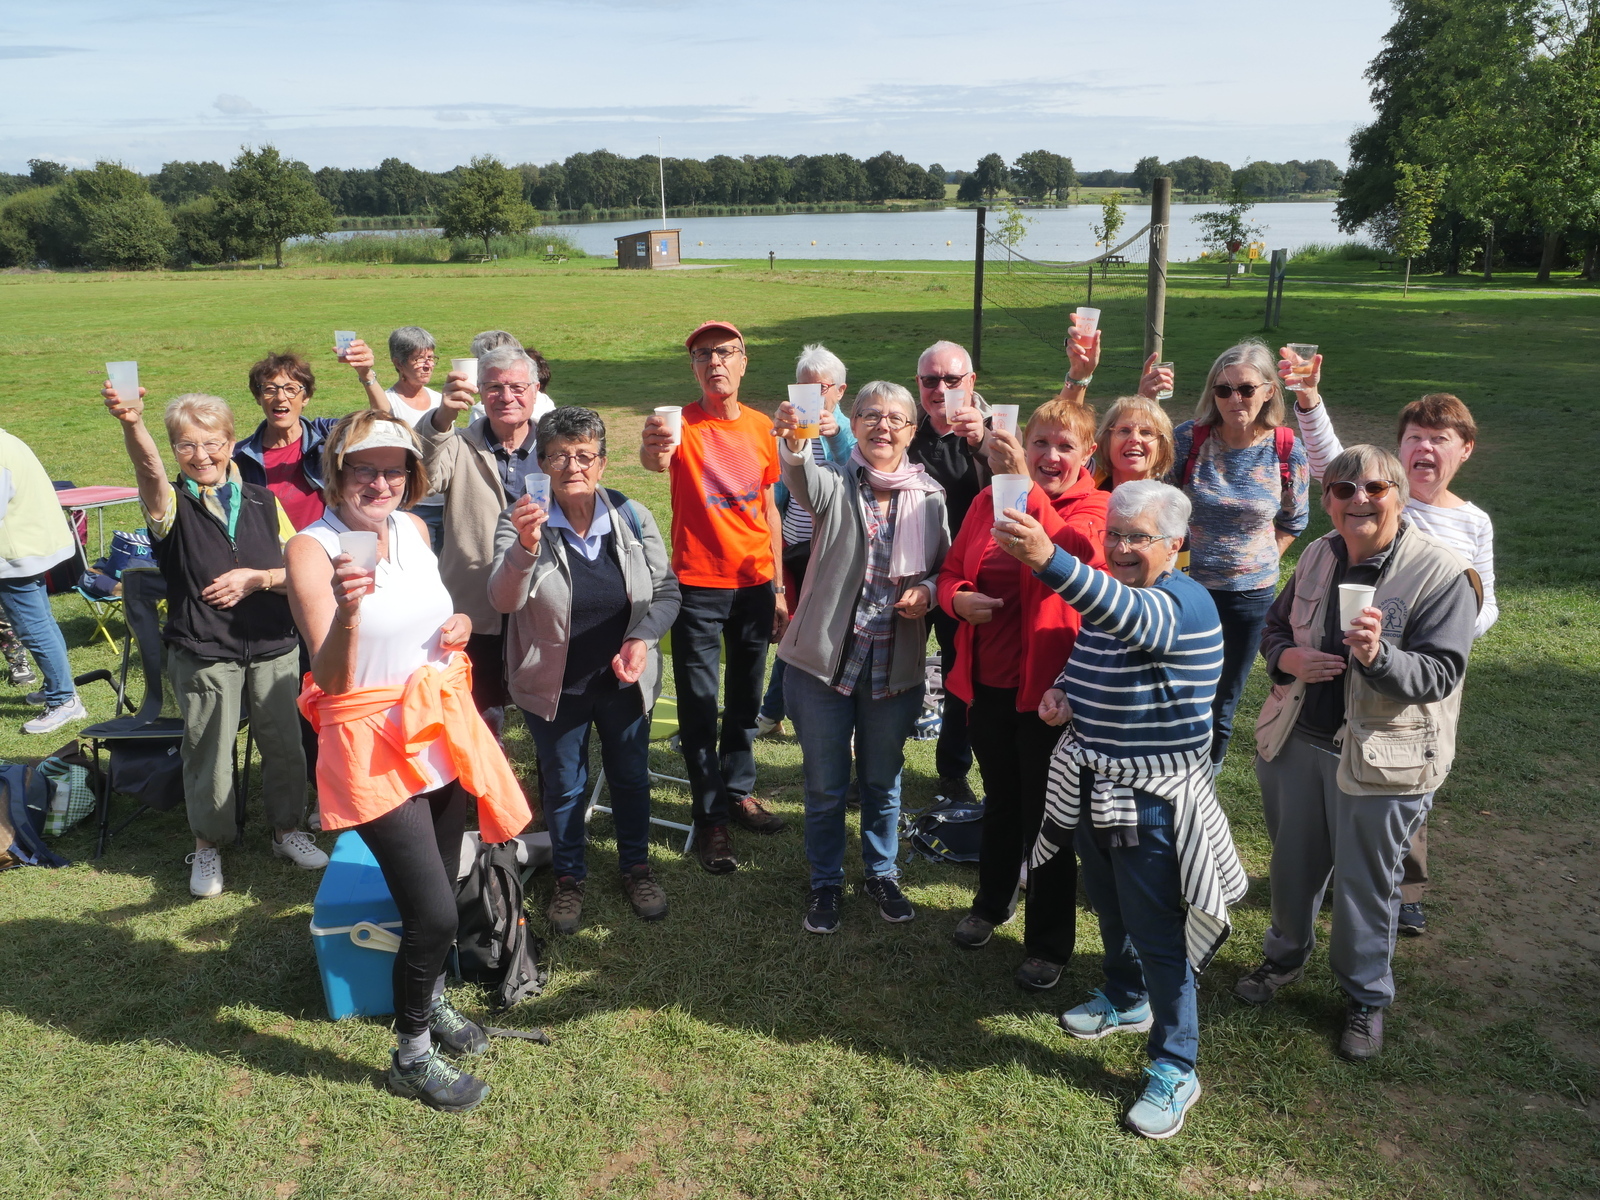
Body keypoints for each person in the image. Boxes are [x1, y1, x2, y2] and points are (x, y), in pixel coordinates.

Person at [287, 410, 532, 1113]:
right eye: (364, 467)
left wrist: (453, 627)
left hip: (436, 730)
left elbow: (433, 621)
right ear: (337, 471)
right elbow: (331, 679)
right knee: (432, 914)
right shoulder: (314, 548)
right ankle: (411, 1054)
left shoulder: (415, 531)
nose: (380, 481)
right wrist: (348, 611)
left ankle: (432, 998)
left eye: (393, 468)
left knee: (446, 892)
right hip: (371, 745)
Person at [995, 480, 1246, 1140]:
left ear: (1177, 543)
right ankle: (1127, 996)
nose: (1123, 549)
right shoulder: (1122, 598)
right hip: (1096, 783)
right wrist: (1063, 694)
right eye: (1116, 536)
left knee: (1160, 933)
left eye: (1139, 538)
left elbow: (1129, 622)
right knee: (1109, 904)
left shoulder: (1181, 603)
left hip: (1153, 798)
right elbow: (1094, 652)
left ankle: (1176, 1064)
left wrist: (1051, 560)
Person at [1239, 446, 1479, 1062]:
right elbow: (1272, 627)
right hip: (1297, 742)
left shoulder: (1440, 573)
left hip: (1384, 757)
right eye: (1343, 490)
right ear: (1328, 502)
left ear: (1399, 494)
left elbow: (1441, 673)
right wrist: (1286, 658)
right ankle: (1283, 958)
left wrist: (1380, 659)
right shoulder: (1319, 555)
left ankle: (1365, 996)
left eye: (1375, 487)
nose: (1359, 500)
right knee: (1292, 868)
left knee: (1365, 886)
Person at [1287, 362, 1496, 936]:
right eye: (1415, 438)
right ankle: (1314, 916)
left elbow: (1474, 614)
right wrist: (1307, 398)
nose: (1362, 497)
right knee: (1324, 825)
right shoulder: (1325, 549)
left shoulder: (1463, 534)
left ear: (1464, 451)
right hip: (1322, 718)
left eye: (1439, 439)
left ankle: (1400, 892)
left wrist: (1451, 628)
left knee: (1401, 791)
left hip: (1408, 686)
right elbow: (1338, 461)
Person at [102, 384, 324, 897]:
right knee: (208, 751)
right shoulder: (171, 505)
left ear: (230, 443)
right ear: (176, 450)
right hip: (205, 651)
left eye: (211, 443)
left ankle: (287, 830)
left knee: (286, 747)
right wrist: (132, 425)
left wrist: (259, 577)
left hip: (274, 644)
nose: (200, 455)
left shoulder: (263, 500)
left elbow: (302, 571)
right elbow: (150, 474)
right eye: (186, 445)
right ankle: (208, 846)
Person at [488, 407, 680, 935]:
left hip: (623, 681)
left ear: (601, 462)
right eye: (559, 455)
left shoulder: (633, 516)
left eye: (584, 454)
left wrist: (642, 640)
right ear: (542, 463)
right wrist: (525, 549)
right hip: (554, 687)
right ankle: (570, 878)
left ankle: (636, 867)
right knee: (564, 785)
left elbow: (665, 593)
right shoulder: (521, 520)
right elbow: (504, 601)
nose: (573, 465)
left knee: (629, 777)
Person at [941, 392, 1107, 988]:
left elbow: (1078, 558)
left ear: (1088, 453)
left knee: (1050, 819)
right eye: (1040, 443)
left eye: (1066, 446)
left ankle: (1048, 943)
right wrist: (957, 598)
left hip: (1051, 696)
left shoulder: (1094, 506)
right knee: (1001, 802)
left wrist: (1020, 484)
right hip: (988, 683)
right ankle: (991, 903)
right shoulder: (989, 501)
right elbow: (953, 569)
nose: (1050, 455)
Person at [773, 381, 949, 934]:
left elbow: (946, 566)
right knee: (825, 784)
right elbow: (799, 476)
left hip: (892, 665)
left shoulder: (931, 496)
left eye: (897, 418)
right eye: (871, 415)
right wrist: (795, 439)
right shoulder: (834, 484)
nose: (883, 426)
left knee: (882, 778)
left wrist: (931, 590)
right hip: (825, 663)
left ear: (911, 432)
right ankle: (826, 881)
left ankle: (881, 872)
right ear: (853, 421)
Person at [639, 320, 787, 875]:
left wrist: (776, 586)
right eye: (703, 354)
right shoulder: (679, 425)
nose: (715, 362)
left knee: (746, 701)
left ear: (744, 362)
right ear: (694, 368)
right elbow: (656, 461)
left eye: (725, 352)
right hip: (698, 585)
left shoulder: (761, 426)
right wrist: (653, 446)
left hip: (753, 585)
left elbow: (769, 508)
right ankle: (711, 820)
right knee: (700, 706)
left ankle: (738, 790)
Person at [1169, 340, 1310, 770]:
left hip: (1250, 597)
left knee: (1224, 696)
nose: (1234, 399)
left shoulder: (1286, 449)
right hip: (1186, 590)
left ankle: (1203, 784)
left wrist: (1262, 556)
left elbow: (1294, 519)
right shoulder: (1187, 440)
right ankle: (1167, 772)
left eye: (1246, 389)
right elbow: (1158, 505)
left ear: (1269, 390)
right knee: (1177, 687)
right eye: (1223, 390)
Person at [418, 344, 546, 721]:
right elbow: (423, 479)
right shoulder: (458, 444)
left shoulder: (555, 449)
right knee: (479, 709)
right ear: (479, 392)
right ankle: (480, 778)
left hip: (540, 597)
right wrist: (441, 418)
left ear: (536, 391)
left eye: (518, 387)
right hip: (474, 601)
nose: (506, 397)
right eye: (493, 387)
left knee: (543, 707)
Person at [908, 339, 992, 804]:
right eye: (930, 380)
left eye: (952, 379)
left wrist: (981, 442)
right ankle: (881, 764)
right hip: (908, 577)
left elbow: (1013, 493)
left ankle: (952, 769)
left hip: (966, 579)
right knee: (893, 673)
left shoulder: (995, 429)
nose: (941, 389)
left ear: (971, 382)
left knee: (962, 677)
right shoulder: (905, 428)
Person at [757, 343, 855, 738]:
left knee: (804, 636)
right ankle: (771, 714)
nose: (811, 398)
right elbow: (774, 491)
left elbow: (858, 475)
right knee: (789, 633)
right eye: (802, 389)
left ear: (839, 391)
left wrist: (837, 435)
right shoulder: (790, 428)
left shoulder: (849, 428)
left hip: (827, 553)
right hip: (792, 546)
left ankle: (772, 714)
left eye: (820, 389)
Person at [234, 348, 386, 531]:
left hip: (328, 546)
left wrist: (366, 374)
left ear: (305, 398)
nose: (281, 397)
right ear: (259, 398)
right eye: (269, 389)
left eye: (291, 389)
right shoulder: (241, 457)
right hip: (275, 554)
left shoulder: (326, 435)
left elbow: (381, 419)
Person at [0, 427, 87, 733]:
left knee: (33, 627)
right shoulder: (7, 441)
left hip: (15, 555)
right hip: (31, 546)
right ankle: (59, 688)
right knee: (42, 622)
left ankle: (64, 701)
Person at [350, 326, 447, 550]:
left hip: (447, 502)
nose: (427, 365)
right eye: (418, 359)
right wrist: (366, 374)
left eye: (431, 358)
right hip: (414, 505)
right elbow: (382, 411)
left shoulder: (440, 399)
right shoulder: (390, 401)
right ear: (399, 363)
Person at [467, 332, 556, 428]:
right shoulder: (545, 401)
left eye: (517, 386)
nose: (507, 398)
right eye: (495, 386)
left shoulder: (484, 411)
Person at [1093, 395, 1176, 492]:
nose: (1135, 439)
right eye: (1124, 430)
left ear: (1161, 447)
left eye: (1146, 432)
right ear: (1107, 441)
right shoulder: (1087, 491)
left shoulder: (1170, 503)